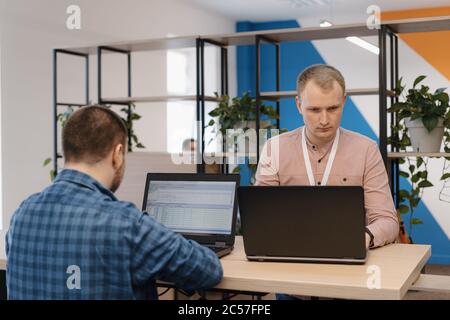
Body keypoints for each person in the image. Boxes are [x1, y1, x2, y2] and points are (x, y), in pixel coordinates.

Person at [6, 106, 222, 300]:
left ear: (66, 152)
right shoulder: (126, 224)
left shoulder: (21, 216)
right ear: (117, 154)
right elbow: (208, 270)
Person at [256, 64, 399, 250]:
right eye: (314, 110)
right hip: (289, 251)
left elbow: (387, 220)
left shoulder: (366, 150)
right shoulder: (273, 149)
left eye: (332, 108)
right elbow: (262, 216)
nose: (324, 120)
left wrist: (362, 238)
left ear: (344, 101)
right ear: (299, 105)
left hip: (348, 252)